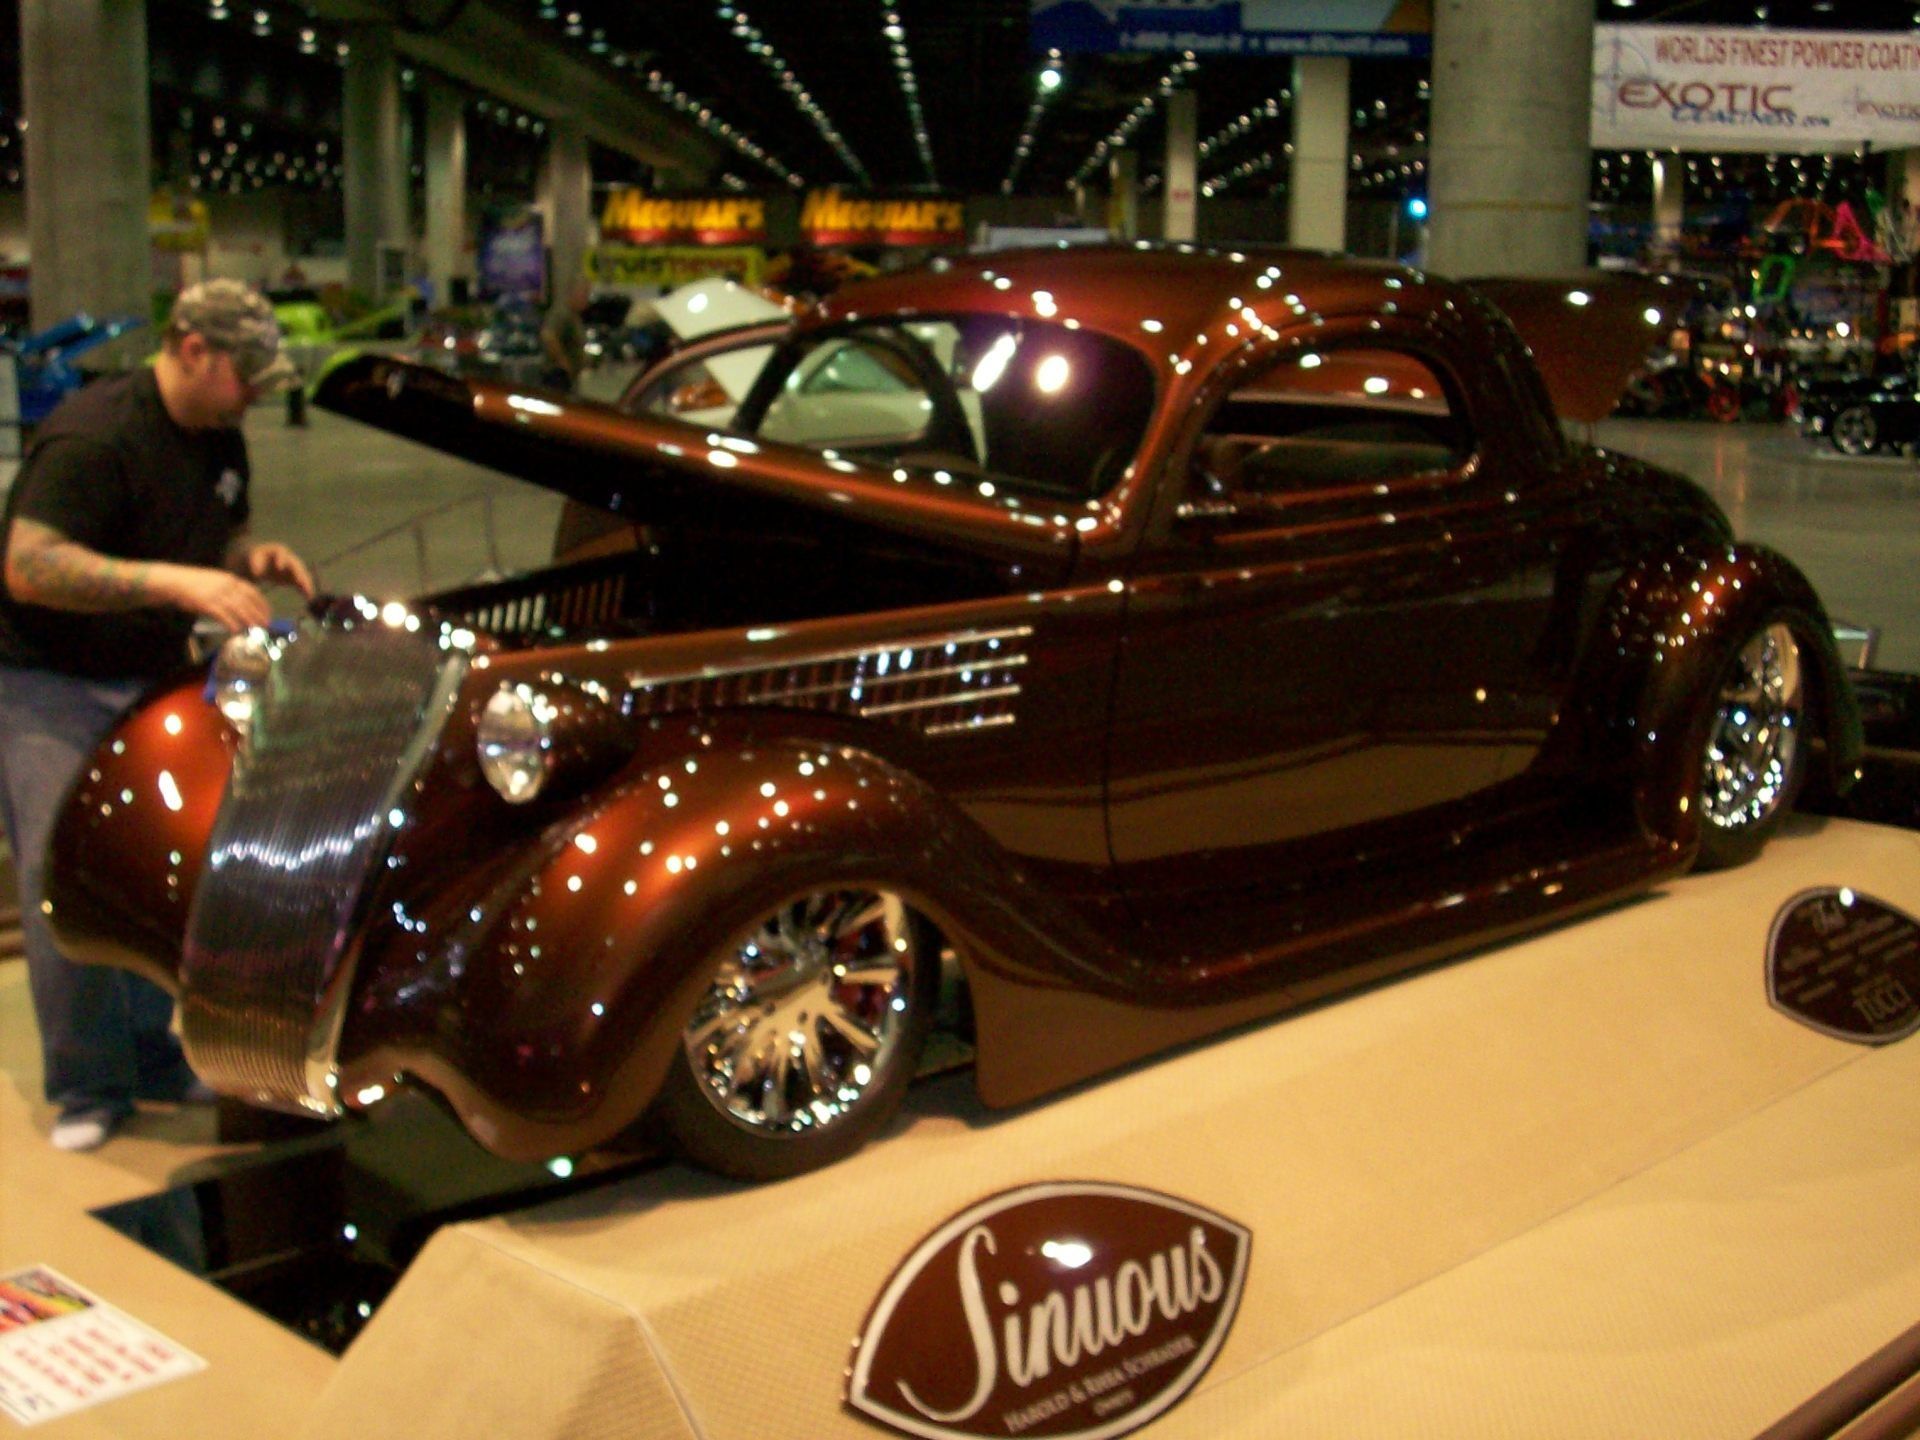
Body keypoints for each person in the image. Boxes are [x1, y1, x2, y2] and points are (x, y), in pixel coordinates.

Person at [0, 278, 315, 1152]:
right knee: (64, 880)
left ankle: (149, 1058)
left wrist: (245, 558)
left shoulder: (219, 435)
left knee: (152, 869)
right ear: (191, 349)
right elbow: (30, 566)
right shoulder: (96, 438)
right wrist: (179, 583)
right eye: (244, 374)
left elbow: (202, 536)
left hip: (146, 679)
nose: (254, 394)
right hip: (46, 682)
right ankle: (88, 1084)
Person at [539, 277, 591, 391]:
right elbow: (548, 335)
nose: (586, 300)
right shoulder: (562, 313)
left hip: (569, 377)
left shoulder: (574, 316)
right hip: (557, 377)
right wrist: (563, 361)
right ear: (573, 293)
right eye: (584, 294)